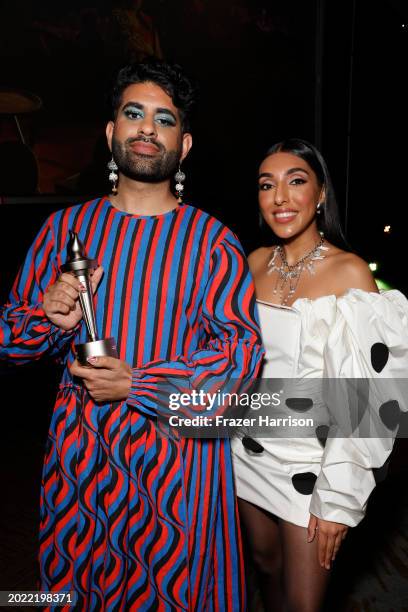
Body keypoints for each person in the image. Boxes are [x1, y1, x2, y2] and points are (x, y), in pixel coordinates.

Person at [0, 60, 264, 610]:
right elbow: (11, 340)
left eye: (164, 119)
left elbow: (240, 361)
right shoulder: (63, 231)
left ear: (184, 145)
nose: (147, 127)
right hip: (80, 467)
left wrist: (138, 385)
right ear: (111, 133)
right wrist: (51, 320)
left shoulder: (212, 241)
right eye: (134, 113)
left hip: (174, 474)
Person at [231, 138, 408, 611]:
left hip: (313, 463)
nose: (280, 198)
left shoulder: (349, 272)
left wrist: (338, 499)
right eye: (267, 185)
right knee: (265, 571)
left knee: (304, 604)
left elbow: (369, 401)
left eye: (296, 181)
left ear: (322, 193)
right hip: (248, 451)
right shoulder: (251, 264)